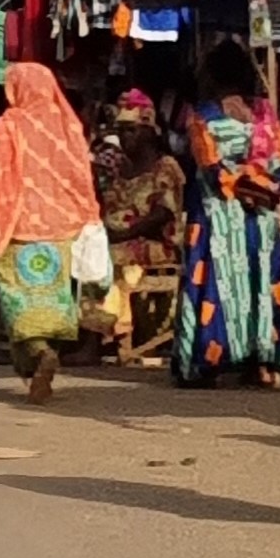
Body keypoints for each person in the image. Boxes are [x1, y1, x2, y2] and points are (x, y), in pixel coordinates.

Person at [0, 59, 98, 403]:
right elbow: (81, 176)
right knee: (52, 297)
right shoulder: (68, 128)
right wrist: (88, 214)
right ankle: (48, 350)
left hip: (17, 228)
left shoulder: (3, 128)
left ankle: (36, 354)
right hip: (61, 228)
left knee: (18, 300)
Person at [173, 41, 280, 388]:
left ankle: (206, 362)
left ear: (210, 75)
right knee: (261, 284)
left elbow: (210, 166)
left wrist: (237, 184)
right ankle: (264, 362)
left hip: (219, 216)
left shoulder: (203, 116)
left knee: (217, 283)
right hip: (260, 217)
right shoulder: (265, 115)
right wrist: (260, 189)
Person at [76, 89, 184, 357]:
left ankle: (94, 340)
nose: (124, 137)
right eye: (120, 131)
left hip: (155, 243)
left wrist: (123, 235)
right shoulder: (118, 167)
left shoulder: (165, 167)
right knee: (79, 252)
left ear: (149, 132)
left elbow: (162, 214)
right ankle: (75, 333)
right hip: (116, 236)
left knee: (107, 258)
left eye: (131, 130)